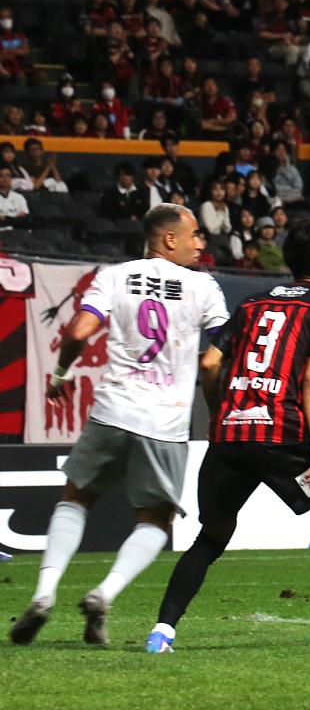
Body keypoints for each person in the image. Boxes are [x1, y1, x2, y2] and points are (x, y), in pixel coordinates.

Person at [145, 220, 310, 653]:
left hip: (230, 434)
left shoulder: (251, 302)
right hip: (281, 434)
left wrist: (218, 414)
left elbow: (209, 363)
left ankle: (162, 632)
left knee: (212, 536)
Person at [10, 205, 229, 646]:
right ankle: (104, 594)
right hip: (165, 422)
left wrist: (61, 376)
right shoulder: (204, 287)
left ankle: (44, 593)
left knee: (76, 499)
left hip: (112, 410)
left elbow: (77, 332)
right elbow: (213, 360)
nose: (200, 243)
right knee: (155, 521)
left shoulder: (114, 276)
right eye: (194, 234)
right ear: (169, 239)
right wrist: (215, 411)